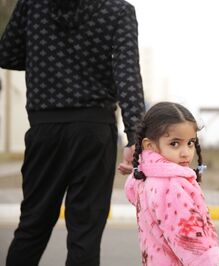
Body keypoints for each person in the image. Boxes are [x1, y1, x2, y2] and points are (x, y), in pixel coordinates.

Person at [0, 0, 145, 265]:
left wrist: (43, 57)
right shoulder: (118, 10)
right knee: (85, 234)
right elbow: (127, 74)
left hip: (45, 130)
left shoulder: (33, 5)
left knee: (32, 226)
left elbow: (7, 54)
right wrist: (135, 134)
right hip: (95, 132)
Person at [124, 102, 219, 266]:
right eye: (174, 143)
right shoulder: (172, 185)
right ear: (149, 145)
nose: (186, 152)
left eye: (190, 143)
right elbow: (189, 239)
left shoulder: (145, 179)